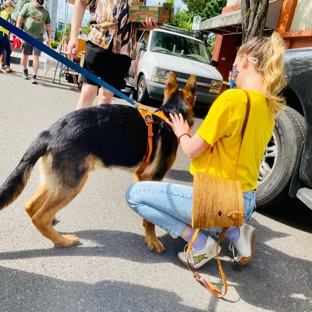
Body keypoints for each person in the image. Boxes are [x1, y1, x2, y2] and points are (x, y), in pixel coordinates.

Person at [125, 32, 287, 268]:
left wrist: (181, 131)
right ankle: (235, 232)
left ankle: (200, 243)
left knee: (135, 195)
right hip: (247, 202)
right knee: (209, 214)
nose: (233, 72)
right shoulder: (270, 108)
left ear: (245, 61)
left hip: (219, 201)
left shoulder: (232, 99)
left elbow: (191, 149)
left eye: (234, 65)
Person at [67, 0, 162, 110]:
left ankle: (100, 127)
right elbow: (81, 2)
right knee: (88, 92)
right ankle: (78, 126)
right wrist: (73, 36)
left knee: (106, 97)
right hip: (98, 39)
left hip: (124, 48)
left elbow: (134, 21)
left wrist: (148, 25)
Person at [16, 0, 51, 84]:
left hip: (38, 37)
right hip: (26, 35)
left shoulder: (45, 12)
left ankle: (34, 76)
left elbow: (48, 26)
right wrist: (17, 31)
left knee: (36, 56)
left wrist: (49, 38)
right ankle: (25, 70)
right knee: (25, 55)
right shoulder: (27, 6)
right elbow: (20, 18)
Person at [0, 0, 16, 73]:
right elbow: (2, 24)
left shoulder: (7, 13)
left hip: (5, 34)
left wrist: (8, 33)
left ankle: (7, 68)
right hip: (2, 33)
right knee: (0, 50)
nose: (13, 8)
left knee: (8, 50)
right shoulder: (5, 13)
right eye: (12, 6)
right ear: (9, 6)